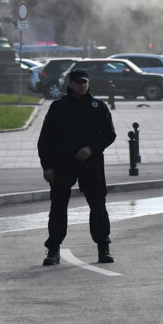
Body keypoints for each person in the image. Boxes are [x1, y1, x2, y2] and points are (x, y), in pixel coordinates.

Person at [37, 68, 117, 265]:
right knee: (58, 207)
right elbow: (45, 139)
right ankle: (53, 250)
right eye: (78, 82)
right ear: (70, 84)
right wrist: (47, 167)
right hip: (63, 164)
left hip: (91, 164)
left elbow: (109, 134)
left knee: (98, 206)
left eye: (85, 82)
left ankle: (103, 247)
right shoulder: (58, 107)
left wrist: (91, 149)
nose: (82, 85)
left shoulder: (98, 107)